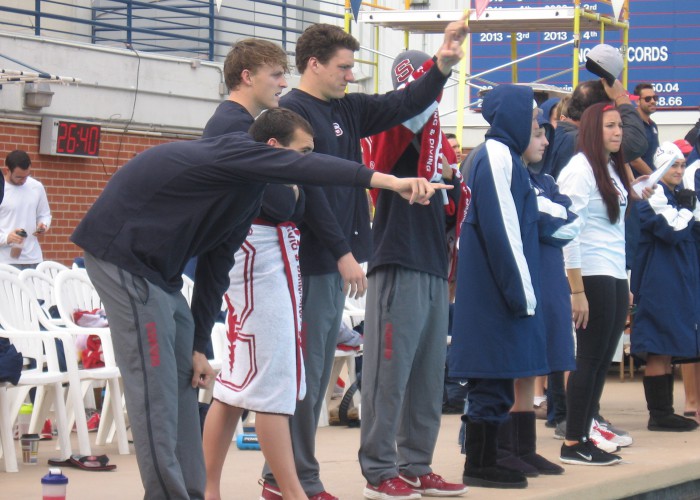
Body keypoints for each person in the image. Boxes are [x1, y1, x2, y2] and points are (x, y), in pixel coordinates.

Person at [71, 120, 449, 500]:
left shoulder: (247, 193)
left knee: (190, 379)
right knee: (158, 392)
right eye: (301, 152)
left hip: (163, 273)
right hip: (123, 258)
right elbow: (318, 171)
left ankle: (198, 491)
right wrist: (390, 181)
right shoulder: (235, 152)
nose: (307, 163)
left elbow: (215, 267)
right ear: (271, 147)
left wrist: (200, 344)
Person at [261, 16, 470, 500]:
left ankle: (295, 480)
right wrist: (342, 253)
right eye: (343, 67)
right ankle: (292, 482)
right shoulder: (293, 112)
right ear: (314, 64)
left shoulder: (348, 108)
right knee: (306, 380)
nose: (351, 75)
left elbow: (405, 102)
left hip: (340, 261)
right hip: (312, 261)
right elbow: (310, 190)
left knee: (315, 376)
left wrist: (442, 63)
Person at [197, 40, 309, 500]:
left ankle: (208, 488)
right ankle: (292, 492)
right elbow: (277, 201)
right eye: (276, 73)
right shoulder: (233, 128)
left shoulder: (242, 125)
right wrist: (293, 185)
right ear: (246, 76)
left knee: (235, 388)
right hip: (257, 262)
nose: (284, 82)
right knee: (271, 387)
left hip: (256, 260)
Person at [358, 50, 468, 499]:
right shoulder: (390, 120)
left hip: (432, 264)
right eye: (429, 82)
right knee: (389, 374)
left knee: (427, 375)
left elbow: (453, 207)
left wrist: (451, 178)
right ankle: (379, 468)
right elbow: (382, 156)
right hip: (397, 257)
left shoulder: (440, 137)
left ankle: (417, 463)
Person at [449, 84, 545, 490]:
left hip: (493, 287)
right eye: (534, 122)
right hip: (494, 290)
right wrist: (521, 293)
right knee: (490, 376)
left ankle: (485, 459)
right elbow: (502, 231)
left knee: (496, 377)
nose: (538, 131)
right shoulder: (496, 157)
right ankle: (480, 463)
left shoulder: (499, 157)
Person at [496, 110, 578, 479]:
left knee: (538, 363)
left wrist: (548, 215)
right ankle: (506, 448)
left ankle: (524, 448)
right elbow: (535, 217)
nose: (547, 142)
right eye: (538, 135)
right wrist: (549, 215)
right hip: (525, 276)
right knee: (517, 364)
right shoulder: (507, 173)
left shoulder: (544, 179)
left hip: (549, 277)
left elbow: (568, 222)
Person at [556, 101, 631, 466]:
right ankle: (572, 441)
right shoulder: (579, 169)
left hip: (613, 273)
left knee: (602, 361)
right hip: (590, 274)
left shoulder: (610, 169)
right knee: (588, 358)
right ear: (591, 129)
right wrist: (577, 289)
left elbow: (614, 230)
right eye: (610, 126)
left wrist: (624, 281)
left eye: (619, 126)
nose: (618, 132)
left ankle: (585, 433)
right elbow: (569, 232)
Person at [630, 141, 700, 432]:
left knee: (669, 344)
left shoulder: (673, 195)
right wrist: (687, 210)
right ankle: (659, 413)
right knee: (658, 345)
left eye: (682, 165)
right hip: (658, 279)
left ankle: (665, 411)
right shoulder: (653, 193)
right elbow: (671, 231)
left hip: (678, 277)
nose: (679, 170)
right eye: (673, 164)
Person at [0, 150, 51, 269]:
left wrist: (43, 225)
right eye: (19, 177)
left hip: (33, 258)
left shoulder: (36, 187)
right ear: (7, 170)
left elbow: (44, 215)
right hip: (5, 261)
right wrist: (7, 238)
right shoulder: (2, 189)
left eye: (26, 176)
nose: (23, 180)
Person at [629, 83, 659, 177]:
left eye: (655, 98)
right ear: (637, 101)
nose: (653, 101)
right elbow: (634, 160)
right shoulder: (632, 125)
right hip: (637, 183)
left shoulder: (653, 125)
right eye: (648, 99)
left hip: (650, 182)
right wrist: (654, 178)